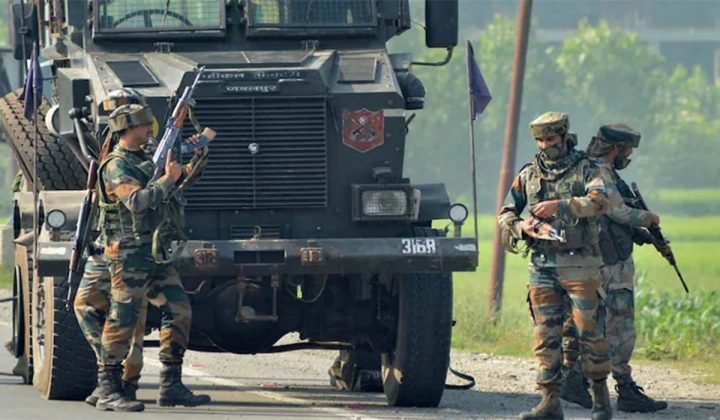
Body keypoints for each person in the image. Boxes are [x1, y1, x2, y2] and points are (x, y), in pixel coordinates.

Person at [92, 103, 210, 412]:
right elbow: (137, 201)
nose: (149, 129)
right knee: (122, 318)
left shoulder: (144, 159)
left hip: (154, 251)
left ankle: (171, 385)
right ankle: (109, 389)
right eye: (144, 125)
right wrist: (167, 179)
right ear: (129, 128)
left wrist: (196, 161)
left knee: (179, 310)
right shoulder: (116, 165)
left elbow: (176, 187)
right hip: (128, 253)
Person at [498, 112, 612, 420]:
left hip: (581, 265)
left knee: (590, 332)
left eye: (550, 139)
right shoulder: (529, 174)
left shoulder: (587, 168)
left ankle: (600, 399)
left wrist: (560, 206)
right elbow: (506, 213)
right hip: (542, 265)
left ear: (564, 137)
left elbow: (599, 202)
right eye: (540, 140)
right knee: (545, 335)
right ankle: (550, 401)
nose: (544, 145)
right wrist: (523, 227)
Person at [560, 124, 668, 413]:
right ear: (615, 148)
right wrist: (649, 218)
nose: (628, 156)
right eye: (627, 150)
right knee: (619, 323)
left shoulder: (581, 168)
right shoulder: (600, 172)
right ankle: (624, 387)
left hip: (586, 259)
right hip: (608, 262)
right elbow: (616, 211)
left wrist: (642, 236)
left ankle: (576, 379)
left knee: (590, 321)